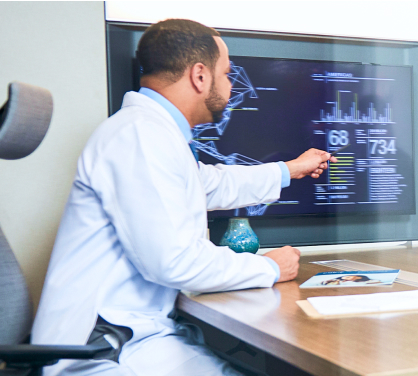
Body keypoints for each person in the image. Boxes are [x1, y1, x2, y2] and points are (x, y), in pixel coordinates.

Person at [31, 19, 337, 376]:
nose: (232, 85)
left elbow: (206, 183)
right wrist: (270, 267)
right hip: (102, 351)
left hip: (131, 336)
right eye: (226, 74)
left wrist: (289, 170)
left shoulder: (150, 134)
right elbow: (175, 262)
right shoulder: (140, 137)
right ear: (200, 76)